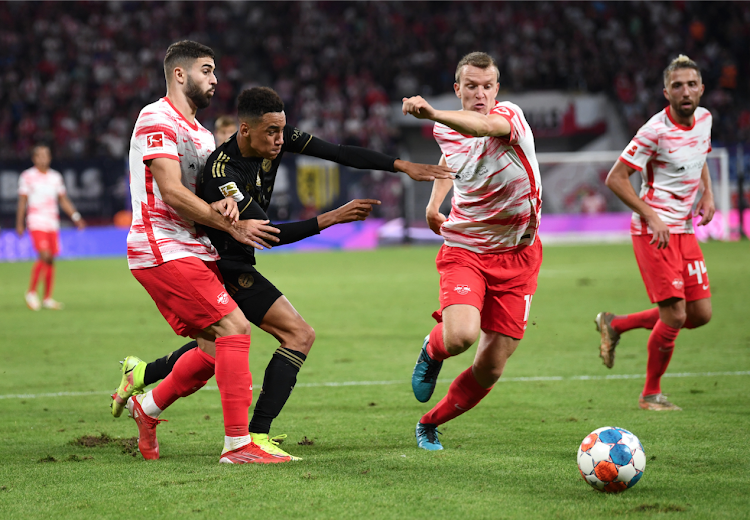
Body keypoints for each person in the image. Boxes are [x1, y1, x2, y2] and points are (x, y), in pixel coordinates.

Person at [111, 86, 454, 460]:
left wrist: (401, 166)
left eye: (281, 131)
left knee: (210, 353)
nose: (279, 140)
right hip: (223, 264)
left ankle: (146, 396)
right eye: (270, 133)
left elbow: (337, 152)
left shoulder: (278, 136)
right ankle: (250, 436)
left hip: (232, 261)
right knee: (294, 334)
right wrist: (333, 217)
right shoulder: (224, 173)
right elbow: (268, 234)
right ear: (245, 130)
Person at [125, 40, 287, 464]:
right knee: (235, 328)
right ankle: (238, 445)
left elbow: (200, 197)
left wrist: (224, 204)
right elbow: (173, 193)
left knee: (214, 351)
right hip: (161, 244)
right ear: (180, 74)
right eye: (207, 70)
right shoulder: (156, 117)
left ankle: (146, 406)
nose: (215, 80)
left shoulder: (199, 133)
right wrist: (231, 223)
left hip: (194, 247)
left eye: (214, 72)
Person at [402, 52, 543, 451]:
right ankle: (433, 350)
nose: (480, 94)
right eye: (471, 86)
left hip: (519, 254)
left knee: (491, 364)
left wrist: (431, 112)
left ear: (496, 89)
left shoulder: (509, 116)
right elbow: (454, 157)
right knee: (462, 335)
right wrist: (434, 205)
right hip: (466, 247)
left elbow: (482, 128)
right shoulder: (447, 131)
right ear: (458, 89)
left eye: (487, 86)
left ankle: (429, 423)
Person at [595, 55, 714, 411]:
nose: (686, 91)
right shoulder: (654, 131)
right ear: (667, 92)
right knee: (675, 316)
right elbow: (615, 178)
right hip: (654, 231)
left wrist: (708, 192)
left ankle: (615, 324)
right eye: (677, 85)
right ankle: (651, 394)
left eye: (692, 84)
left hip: (685, 230)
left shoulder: (705, 119)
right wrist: (652, 216)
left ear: (701, 89)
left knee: (700, 314)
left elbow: (700, 155)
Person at [16, 145, 86, 311]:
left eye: (46, 155)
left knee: (51, 259)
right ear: (34, 158)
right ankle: (31, 292)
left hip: (52, 223)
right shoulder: (27, 176)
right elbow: (22, 201)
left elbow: (63, 200)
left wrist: (76, 217)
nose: (43, 158)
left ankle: (47, 298)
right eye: (40, 155)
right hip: (36, 221)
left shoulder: (55, 177)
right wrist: (19, 223)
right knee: (45, 255)